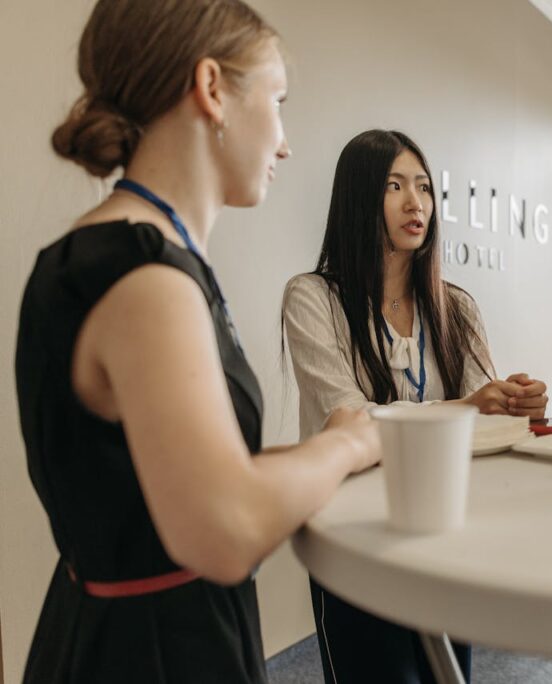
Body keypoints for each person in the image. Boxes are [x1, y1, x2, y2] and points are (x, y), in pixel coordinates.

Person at [14, 2, 380, 682]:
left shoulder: (121, 258)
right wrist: (350, 443)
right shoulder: (144, 280)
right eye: (277, 101)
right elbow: (227, 527)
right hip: (153, 655)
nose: (284, 142)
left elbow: (187, 480)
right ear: (211, 89)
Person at [282, 128, 549, 683]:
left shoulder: (456, 306)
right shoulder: (313, 298)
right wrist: (467, 406)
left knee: (449, 674)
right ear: (358, 199)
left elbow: (487, 419)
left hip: (443, 523)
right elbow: (348, 419)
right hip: (356, 531)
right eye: (394, 186)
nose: (416, 203)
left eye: (424, 188)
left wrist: (514, 402)